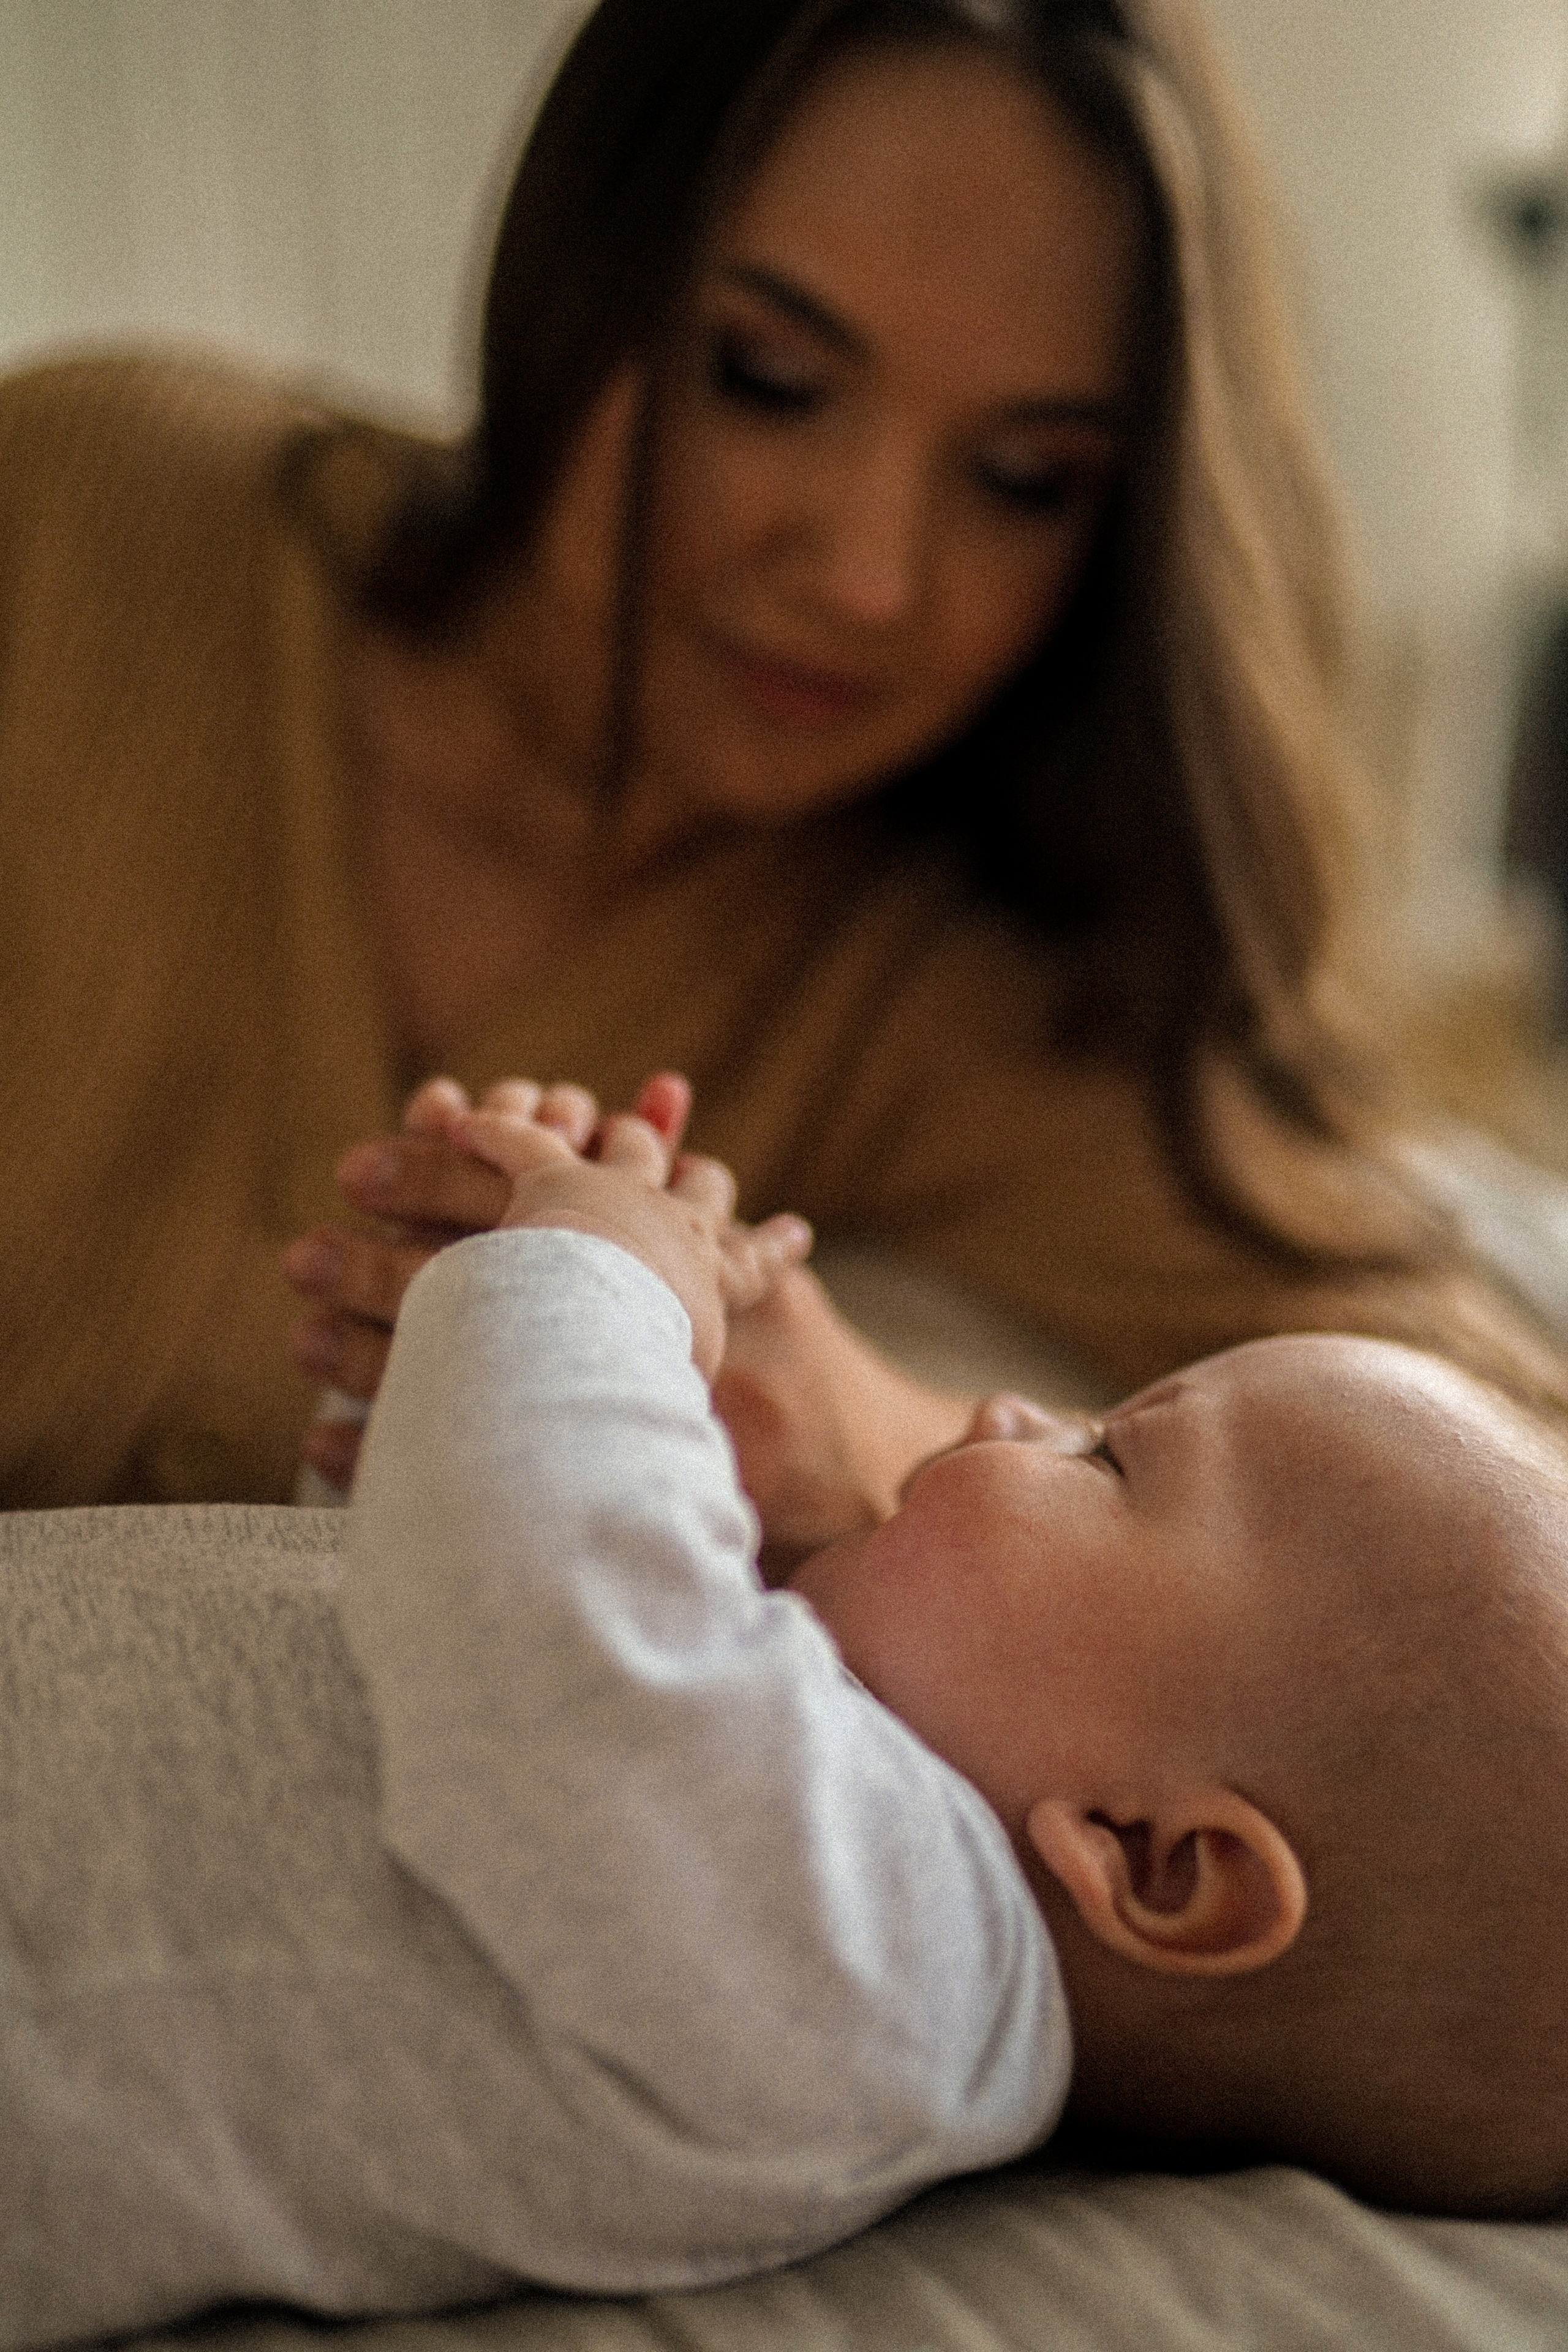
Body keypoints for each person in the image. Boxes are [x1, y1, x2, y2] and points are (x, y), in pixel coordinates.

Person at [5, 0, 1567, 1513]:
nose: (870, 579)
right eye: (766, 379)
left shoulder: (969, 991)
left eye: (1025, 479)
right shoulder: (87, 512)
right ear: (576, 277)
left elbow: (1504, 1483)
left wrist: (859, 1429)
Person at [6, 1088, 1568, 2350]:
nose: (1003, 1410)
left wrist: (598, 1279)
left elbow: (549, 1636)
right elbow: (438, 1669)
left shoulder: (879, 1972)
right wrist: (440, 1402)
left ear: (1152, 1861)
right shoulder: (804, 1830)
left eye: (1105, 1457)